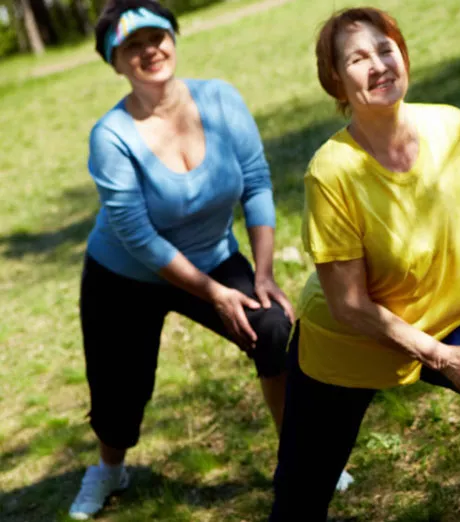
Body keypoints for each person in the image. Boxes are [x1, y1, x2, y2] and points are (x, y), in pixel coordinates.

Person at [269, 7, 460, 521]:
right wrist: (436, 355)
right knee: (301, 494)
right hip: (347, 345)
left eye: (385, 49)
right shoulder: (331, 172)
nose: (378, 64)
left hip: (445, 321)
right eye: (357, 59)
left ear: (403, 55)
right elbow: (350, 305)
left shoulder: (454, 128)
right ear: (335, 80)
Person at [69, 0, 295, 518]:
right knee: (118, 394)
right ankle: (108, 469)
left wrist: (261, 273)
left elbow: (256, 183)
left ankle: (297, 459)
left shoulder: (220, 99)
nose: (150, 50)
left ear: (173, 37)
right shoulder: (111, 137)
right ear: (116, 61)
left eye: (157, 36)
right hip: (123, 275)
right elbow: (140, 238)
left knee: (274, 328)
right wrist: (215, 294)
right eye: (133, 46)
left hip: (213, 255)